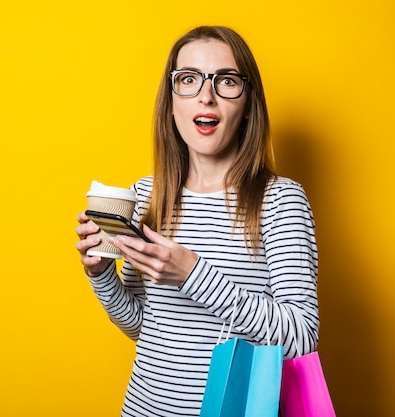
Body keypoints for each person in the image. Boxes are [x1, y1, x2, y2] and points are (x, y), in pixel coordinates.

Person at [75, 26, 319, 417]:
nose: (206, 95)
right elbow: (144, 327)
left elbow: (301, 337)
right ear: (171, 103)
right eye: (188, 79)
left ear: (248, 102)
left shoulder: (279, 199)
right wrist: (102, 273)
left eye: (226, 81)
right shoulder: (147, 194)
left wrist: (192, 274)